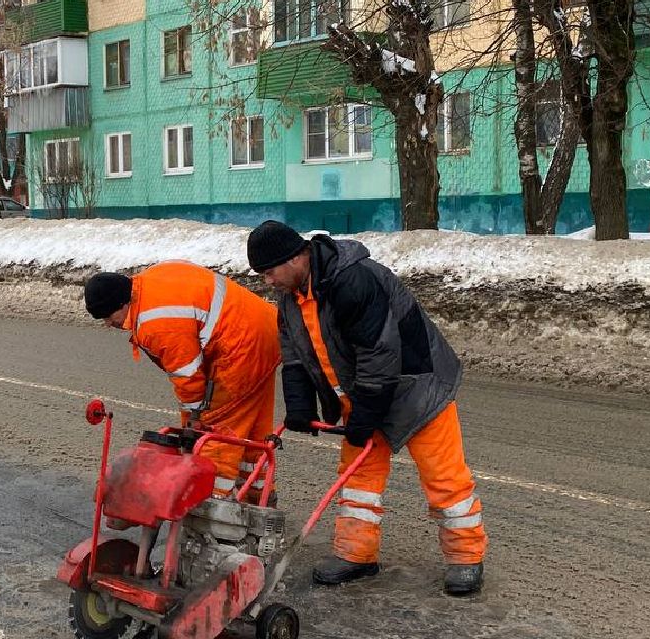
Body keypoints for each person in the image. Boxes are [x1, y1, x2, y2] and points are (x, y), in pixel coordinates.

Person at [246, 221, 487, 596]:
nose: (267, 281)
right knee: (358, 479)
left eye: (269, 271)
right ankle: (356, 554)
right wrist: (298, 405)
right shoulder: (292, 298)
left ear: (296, 257)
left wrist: (365, 414)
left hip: (417, 388)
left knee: (444, 477)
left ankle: (467, 557)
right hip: (364, 396)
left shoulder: (353, 280)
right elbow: (294, 354)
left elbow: (378, 351)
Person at [84, 262, 280, 497]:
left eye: (108, 316)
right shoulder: (148, 284)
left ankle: (215, 504)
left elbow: (188, 378)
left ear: (122, 303)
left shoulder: (155, 322)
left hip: (241, 347)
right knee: (252, 426)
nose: (108, 324)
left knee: (217, 430)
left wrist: (194, 422)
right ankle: (260, 497)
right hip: (263, 331)